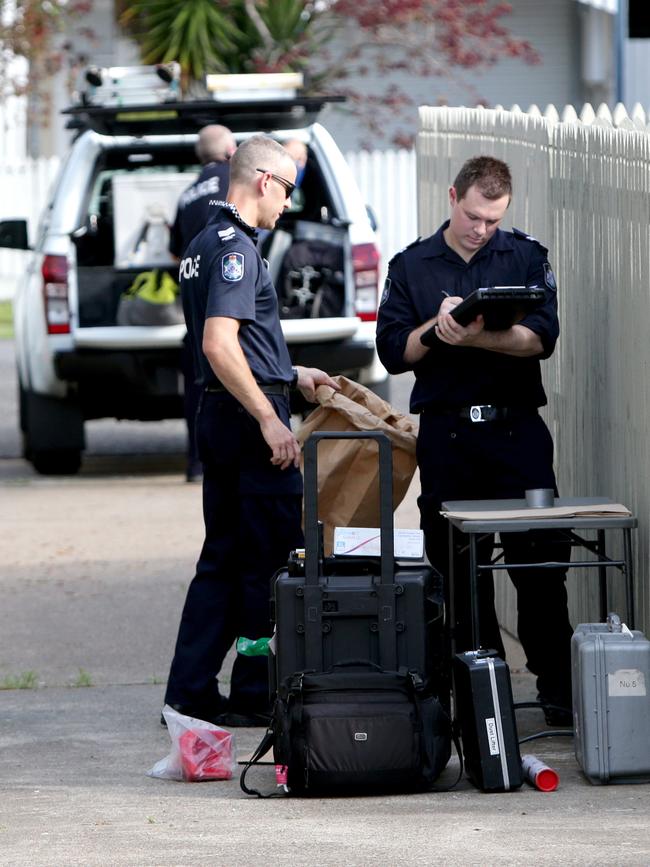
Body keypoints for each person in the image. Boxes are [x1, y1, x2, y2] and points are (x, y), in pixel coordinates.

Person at [376, 155, 574, 725]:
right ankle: (478, 702)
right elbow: (394, 350)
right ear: (451, 197)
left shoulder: (525, 255)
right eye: (472, 216)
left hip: (517, 434)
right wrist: (435, 333)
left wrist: (477, 336)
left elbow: (541, 339)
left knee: (541, 569)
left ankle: (557, 695)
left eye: (492, 219)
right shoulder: (412, 265)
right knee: (459, 577)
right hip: (449, 434)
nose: (481, 229)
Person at [163, 135, 339, 727]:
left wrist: (292, 373)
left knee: (224, 559)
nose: (288, 202)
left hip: (221, 416)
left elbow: (243, 343)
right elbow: (219, 341)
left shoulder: (202, 241)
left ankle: (188, 693)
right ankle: (252, 693)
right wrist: (269, 414)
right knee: (269, 564)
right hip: (247, 423)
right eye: (288, 188)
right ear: (264, 179)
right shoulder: (236, 248)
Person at [169, 124, 237, 482]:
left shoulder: (186, 194)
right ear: (230, 150)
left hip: (196, 307)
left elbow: (174, 253)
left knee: (199, 384)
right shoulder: (237, 179)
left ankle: (197, 462)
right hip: (233, 298)